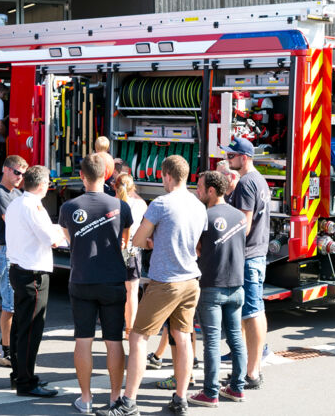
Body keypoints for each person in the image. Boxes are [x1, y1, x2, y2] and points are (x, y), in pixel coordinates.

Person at [108, 155, 207, 416]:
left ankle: (128, 401)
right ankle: (180, 398)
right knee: (182, 337)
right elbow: (195, 241)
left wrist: (152, 242)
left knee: (139, 337)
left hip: (166, 281)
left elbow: (138, 240)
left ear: (167, 176)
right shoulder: (198, 205)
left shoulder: (161, 203)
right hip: (191, 280)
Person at [59, 154, 132, 414]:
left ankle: (86, 398)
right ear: (107, 176)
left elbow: (68, 239)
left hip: (82, 279)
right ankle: (114, 398)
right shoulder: (121, 206)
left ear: (81, 176)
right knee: (113, 341)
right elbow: (124, 241)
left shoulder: (68, 207)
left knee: (83, 339)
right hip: (112, 279)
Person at [5, 165, 67, 398]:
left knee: (21, 327)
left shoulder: (17, 202)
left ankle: (20, 374)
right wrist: (62, 232)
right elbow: (51, 238)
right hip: (32, 273)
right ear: (42, 185)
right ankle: (26, 381)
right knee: (31, 329)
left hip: (20, 268)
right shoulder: (33, 206)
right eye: (48, 182)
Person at [189, 171, 249, 406]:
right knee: (235, 338)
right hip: (236, 285)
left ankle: (210, 393)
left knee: (212, 341)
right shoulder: (240, 216)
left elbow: (197, 249)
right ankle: (237, 388)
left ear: (211, 190)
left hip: (212, 285)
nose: (197, 191)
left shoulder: (204, 216)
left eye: (200, 187)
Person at [223, 137, 270, 389]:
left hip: (249, 255)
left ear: (245, 157)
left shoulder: (246, 184)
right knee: (254, 310)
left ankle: (252, 373)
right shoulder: (259, 180)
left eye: (232, 156)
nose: (229, 160)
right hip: (258, 253)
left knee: (251, 312)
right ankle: (252, 369)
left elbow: (244, 225)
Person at [0, 155, 27, 367]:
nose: (20, 177)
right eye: (16, 172)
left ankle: (4, 344)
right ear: (5, 170)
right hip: (5, 251)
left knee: (14, 303)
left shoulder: (18, 193)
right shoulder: (0, 194)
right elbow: (12, 221)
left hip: (13, 251)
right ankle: (6, 350)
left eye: (23, 174)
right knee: (10, 305)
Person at [114, 173, 147, 339]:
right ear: (133, 186)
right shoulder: (141, 204)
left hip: (114, 249)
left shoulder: (112, 204)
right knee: (132, 292)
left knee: (114, 291)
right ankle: (129, 330)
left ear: (115, 186)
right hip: (132, 250)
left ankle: (112, 326)